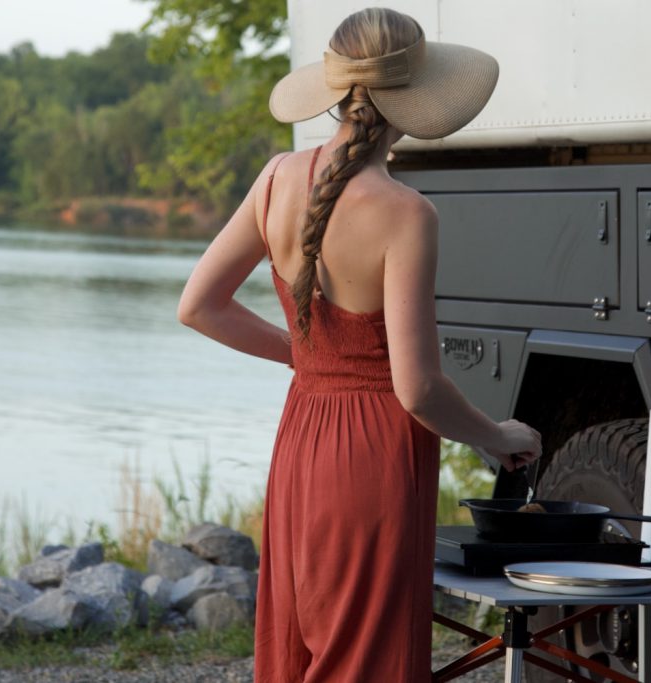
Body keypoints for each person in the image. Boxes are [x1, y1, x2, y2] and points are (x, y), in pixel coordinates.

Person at [177, 7, 542, 682]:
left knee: (301, 645)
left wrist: (307, 356)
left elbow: (199, 306)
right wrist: (494, 432)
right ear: (413, 93)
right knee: (366, 659)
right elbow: (418, 387)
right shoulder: (406, 213)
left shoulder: (277, 177)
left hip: (302, 443)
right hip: (374, 458)